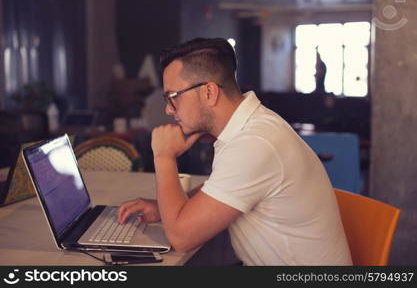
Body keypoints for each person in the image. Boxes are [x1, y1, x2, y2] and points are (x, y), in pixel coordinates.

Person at [117, 38, 352, 266]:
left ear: (209, 92)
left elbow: (181, 238)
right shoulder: (251, 125)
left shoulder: (253, 143)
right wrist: (165, 209)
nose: (168, 109)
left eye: (172, 97)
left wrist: (163, 156)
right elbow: (221, 188)